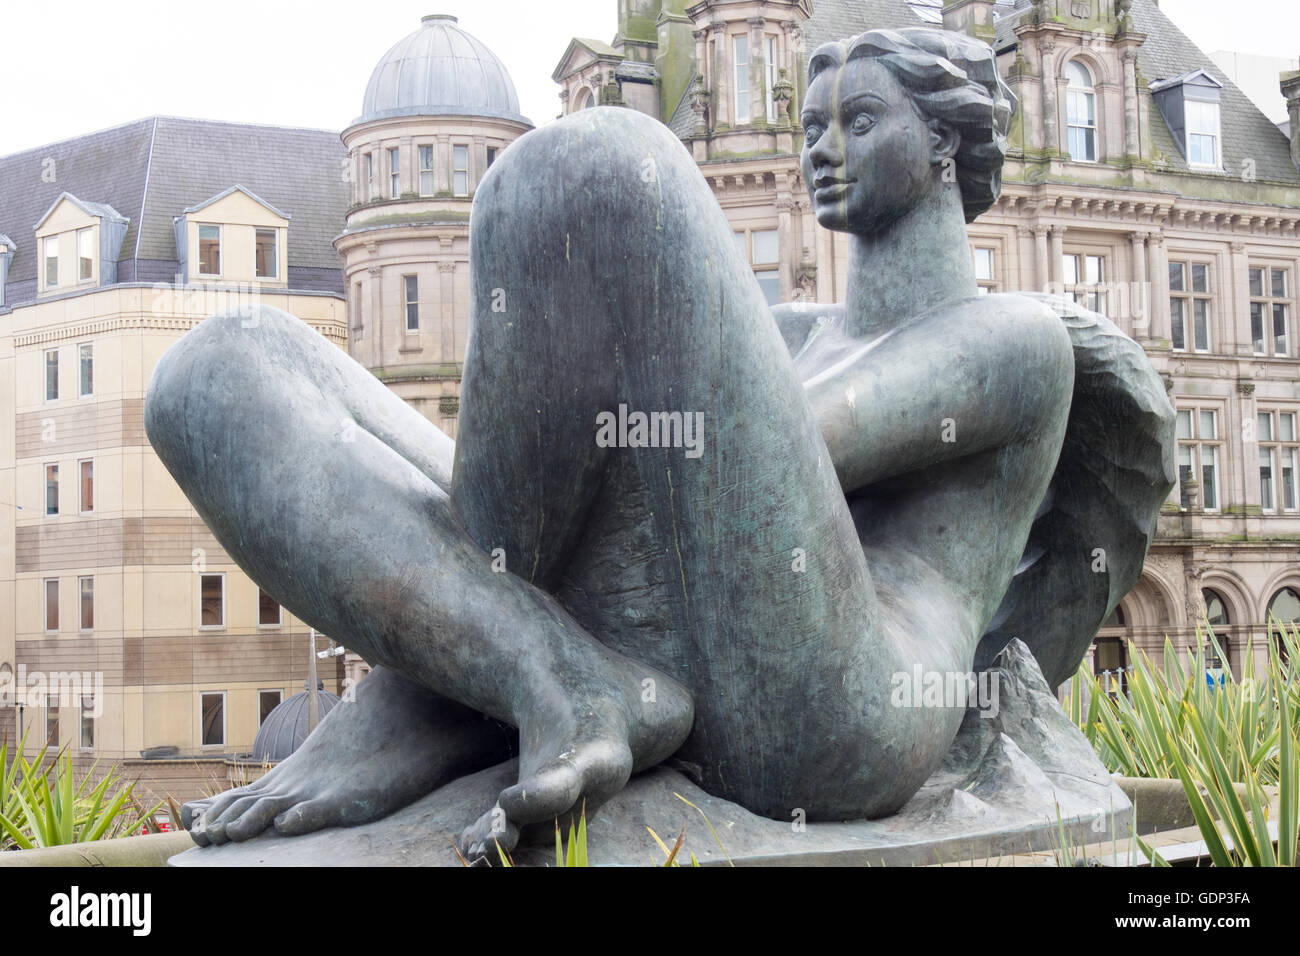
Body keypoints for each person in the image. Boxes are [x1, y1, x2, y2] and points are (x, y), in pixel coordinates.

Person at [154, 27, 1166, 860]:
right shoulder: (788, 335)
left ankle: (450, 690)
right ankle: (544, 674)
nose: (822, 146)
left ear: (947, 145)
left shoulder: (1014, 338)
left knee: (593, 166)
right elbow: (660, 457)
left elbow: (765, 458)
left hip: (834, 719)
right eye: (811, 124)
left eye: (859, 121)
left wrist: (597, 360)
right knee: (217, 369)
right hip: (672, 639)